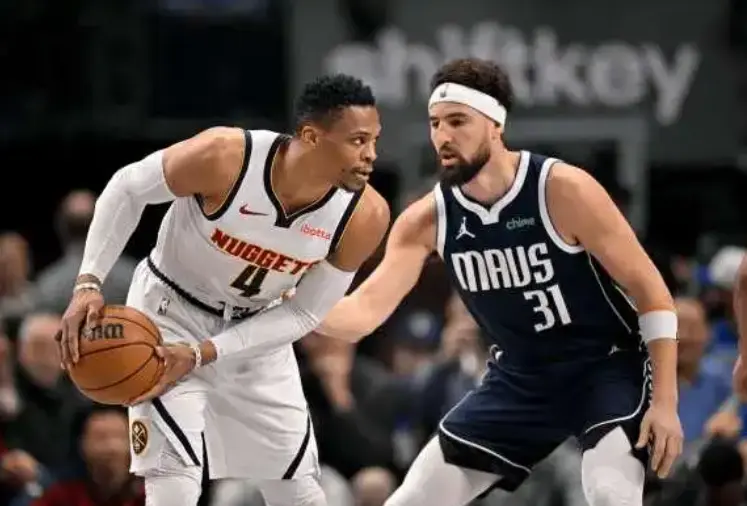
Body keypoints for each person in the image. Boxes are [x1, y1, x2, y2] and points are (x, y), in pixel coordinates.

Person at [317, 58, 683, 506]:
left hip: (604, 368)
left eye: (457, 121)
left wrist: (665, 403)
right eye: (435, 123)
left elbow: (652, 293)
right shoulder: (426, 219)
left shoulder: (562, 189)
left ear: (495, 125)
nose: (442, 136)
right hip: (521, 377)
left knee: (610, 496)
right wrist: (293, 302)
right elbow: (364, 312)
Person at [56, 74, 391, 506]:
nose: (371, 155)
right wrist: (88, 282)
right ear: (311, 136)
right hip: (168, 313)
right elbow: (128, 188)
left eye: (374, 141)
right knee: (173, 480)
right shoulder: (226, 157)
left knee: (298, 490)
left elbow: (303, 313)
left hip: (258, 326)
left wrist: (204, 353)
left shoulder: (364, 216)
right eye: (358, 141)